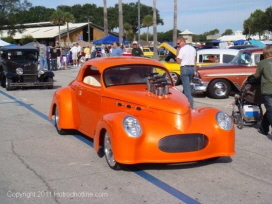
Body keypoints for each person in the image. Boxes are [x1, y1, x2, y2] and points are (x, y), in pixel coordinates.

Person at [252, 45, 272, 135]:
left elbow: (257, 76)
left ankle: (264, 128)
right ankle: (264, 128)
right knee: (270, 110)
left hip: (268, 89)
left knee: (270, 110)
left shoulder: (262, 63)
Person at [176, 36, 196, 108]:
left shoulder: (182, 49)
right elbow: (194, 60)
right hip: (191, 68)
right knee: (186, 87)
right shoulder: (193, 48)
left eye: (178, 43)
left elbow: (178, 61)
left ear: (183, 41)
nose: (178, 45)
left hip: (184, 68)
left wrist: (177, 51)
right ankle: (182, 102)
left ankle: (190, 107)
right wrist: (195, 70)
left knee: (187, 90)